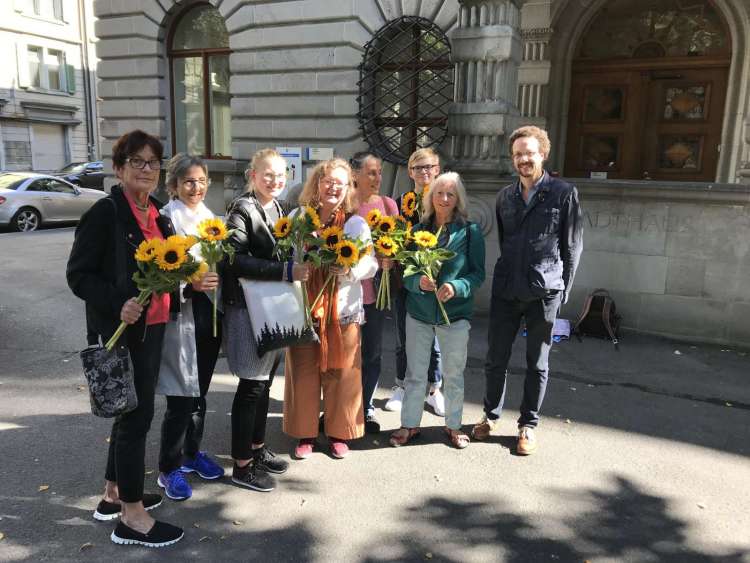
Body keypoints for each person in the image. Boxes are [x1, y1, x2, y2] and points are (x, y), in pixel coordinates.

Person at [66, 130, 184, 547]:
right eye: (137, 161)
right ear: (119, 169)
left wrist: (190, 282)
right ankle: (132, 518)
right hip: (122, 331)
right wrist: (118, 303)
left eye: (153, 162)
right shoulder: (105, 213)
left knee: (127, 411)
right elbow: (78, 275)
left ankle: (113, 494)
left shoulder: (159, 213)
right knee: (136, 417)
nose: (147, 169)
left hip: (153, 328)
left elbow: (167, 270)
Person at [472, 125, 583, 455]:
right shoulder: (505, 196)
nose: (523, 159)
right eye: (518, 154)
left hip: (544, 291)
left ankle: (527, 426)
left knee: (537, 362)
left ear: (543, 154)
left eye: (529, 153)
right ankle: (490, 416)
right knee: (495, 358)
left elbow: (572, 247)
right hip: (507, 288)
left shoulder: (564, 193)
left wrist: (562, 291)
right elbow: (506, 242)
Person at [223, 149, 308, 491]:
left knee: (263, 385)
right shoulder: (242, 209)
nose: (275, 180)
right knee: (250, 386)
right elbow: (234, 259)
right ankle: (242, 466)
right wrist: (285, 270)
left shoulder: (278, 207)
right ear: (253, 175)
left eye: (280, 174)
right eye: (267, 174)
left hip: (271, 307)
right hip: (247, 308)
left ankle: (256, 449)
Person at [283, 158, 378, 460]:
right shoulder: (299, 217)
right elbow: (287, 254)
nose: (333, 187)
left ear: (348, 187)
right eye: (328, 181)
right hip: (305, 307)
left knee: (342, 371)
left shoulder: (355, 223)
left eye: (340, 182)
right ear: (317, 185)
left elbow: (371, 263)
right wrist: (296, 267)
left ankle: (339, 433)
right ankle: (306, 434)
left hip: (341, 310)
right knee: (303, 371)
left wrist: (348, 270)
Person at [389, 172, 485, 449]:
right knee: (415, 374)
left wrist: (457, 286)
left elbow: (478, 274)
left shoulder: (470, 231)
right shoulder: (419, 230)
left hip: (454, 315)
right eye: (439, 193)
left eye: (450, 194)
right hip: (418, 313)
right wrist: (417, 283)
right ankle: (409, 425)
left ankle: (453, 426)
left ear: (458, 199)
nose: (444, 199)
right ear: (431, 197)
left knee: (453, 375)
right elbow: (406, 271)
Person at [155, 154, 223, 501]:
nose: (195, 188)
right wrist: (190, 285)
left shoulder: (211, 219)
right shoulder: (166, 220)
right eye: (188, 182)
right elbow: (158, 273)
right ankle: (168, 469)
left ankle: (192, 453)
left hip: (209, 312)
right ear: (174, 186)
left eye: (200, 181)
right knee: (180, 398)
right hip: (181, 311)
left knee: (199, 394)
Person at [385, 147, 444, 416]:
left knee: (432, 338)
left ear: (437, 169)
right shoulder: (400, 202)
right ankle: (402, 385)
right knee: (402, 335)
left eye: (428, 167)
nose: (423, 172)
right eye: (418, 168)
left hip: (433, 280)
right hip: (404, 279)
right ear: (410, 172)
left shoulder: (445, 201)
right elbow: (393, 238)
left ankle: (433, 390)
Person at [350, 151, 399, 434]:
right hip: (346, 294)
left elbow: (399, 242)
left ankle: (366, 407)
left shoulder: (388, 205)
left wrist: (391, 257)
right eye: (371, 172)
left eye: (379, 172)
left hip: (376, 293)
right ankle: (340, 406)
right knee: (344, 355)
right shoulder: (345, 205)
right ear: (354, 174)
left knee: (372, 353)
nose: (377, 178)